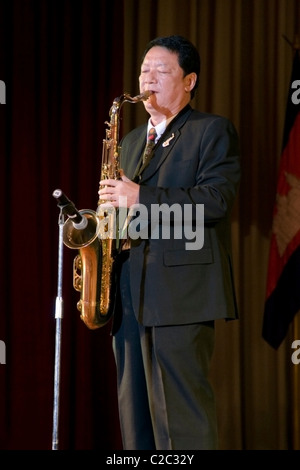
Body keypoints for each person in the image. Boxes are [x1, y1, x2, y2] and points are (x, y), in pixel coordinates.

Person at [99, 35, 240, 450]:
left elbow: (214, 202)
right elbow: (122, 216)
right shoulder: (128, 142)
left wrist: (139, 198)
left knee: (182, 424)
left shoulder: (210, 131)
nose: (148, 78)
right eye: (144, 70)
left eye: (161, 71)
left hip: (181, 295)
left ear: (189, 80)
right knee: (135, 421)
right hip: (129, 294)